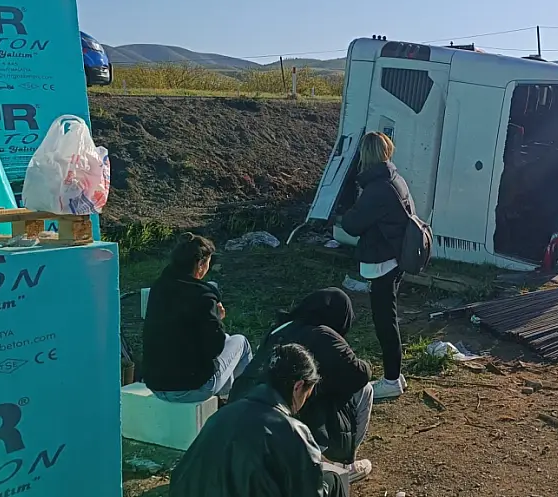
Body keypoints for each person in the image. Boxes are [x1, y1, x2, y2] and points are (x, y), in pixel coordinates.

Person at [230, 288, 373, 481]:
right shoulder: (322, 334)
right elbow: (359, 374)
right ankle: (338, 467)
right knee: (364, 389)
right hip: (286, 419)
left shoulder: (279, 329)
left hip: (242, 413)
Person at [170, 343, 348, 497]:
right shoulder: (292, 431)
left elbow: (181, 477)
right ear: (298, 386)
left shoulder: (221, 416)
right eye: (307, 394)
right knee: (331, 481)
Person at [341, 131, 413, 401]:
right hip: (396, 257)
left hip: (383, 260)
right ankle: (397, 374)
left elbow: (352, 224)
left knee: (385, 321)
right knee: (388, 316)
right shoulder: (395, 179)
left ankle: (391, 379)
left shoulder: (376, 189)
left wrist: (349, 208)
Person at [143, 232, 253, 403]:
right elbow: (215, 348)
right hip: (190, 388)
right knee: (240, 342)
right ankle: (243, 406)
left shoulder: (159, 287)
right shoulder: (203, 296)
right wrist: (217, 319)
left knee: (227, 340)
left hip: (156, 384)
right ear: (200, 264)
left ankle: (223, 402)